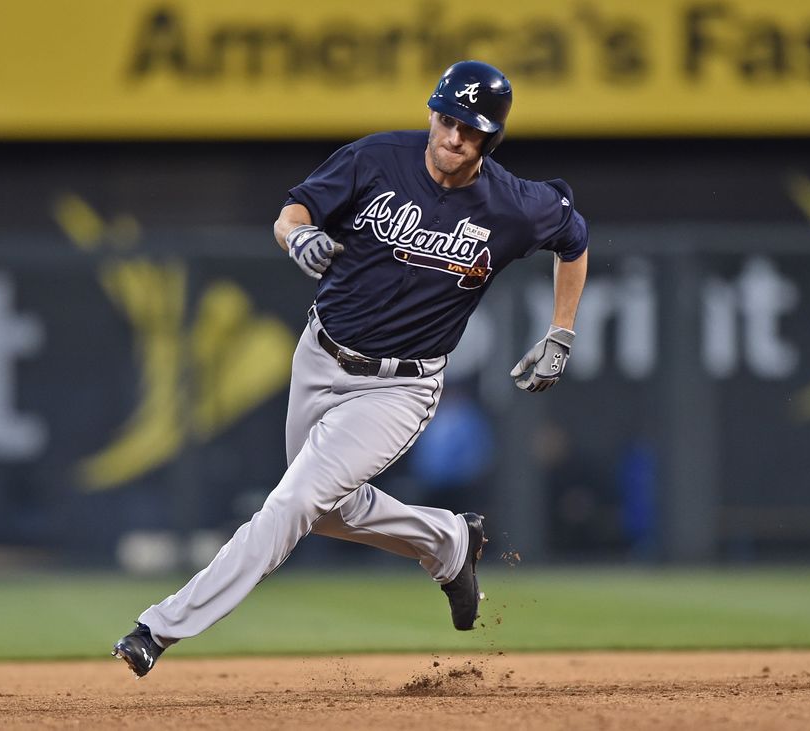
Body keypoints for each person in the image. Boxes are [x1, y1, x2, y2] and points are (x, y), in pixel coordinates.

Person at [112, 60, 589, 678]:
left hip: (400, 386)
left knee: (291, 503)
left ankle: (160, 627)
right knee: (328, 510)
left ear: (490, 139)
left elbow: (573, 237)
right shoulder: (376, 160)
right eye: (446, 121)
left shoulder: (513, 205)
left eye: (469, 131)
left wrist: (562, 332)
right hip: (320, 353)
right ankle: (449, 542)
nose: (452, 138)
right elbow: (293, 213)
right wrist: (297, 238)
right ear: (431, 114)